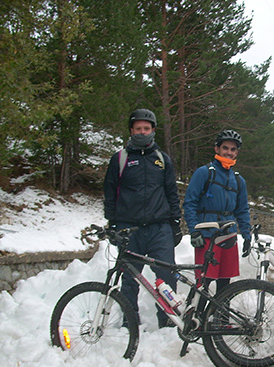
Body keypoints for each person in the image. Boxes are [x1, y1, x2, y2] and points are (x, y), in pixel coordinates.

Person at [103, 108, 183, 328]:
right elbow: (110, 192)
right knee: (130, 279)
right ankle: (130, 323)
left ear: (153, 130)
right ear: (131, 130)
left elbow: (171, 192)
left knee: (167, 276)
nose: (142, 132)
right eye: (138, 128)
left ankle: (167, 322)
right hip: (130, 229)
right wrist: (112, 223)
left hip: (160, 228)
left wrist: (176, 222)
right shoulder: (120, 159)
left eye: (146, 128)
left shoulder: (162, 159)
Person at [183, 130, 251, 296]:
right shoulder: (204, 172)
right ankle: (198, 318)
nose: (229, 152)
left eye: (233, 149)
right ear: (217, 149)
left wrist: (247, 235)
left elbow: (242, 210)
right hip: (206, 234)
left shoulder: (239, 180)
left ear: (237, 152)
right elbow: (190, 203)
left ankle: (222, 320)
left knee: (225, 282)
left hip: (228, 235)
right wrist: (194, 230)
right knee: (204, 281)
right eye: (225, 148)